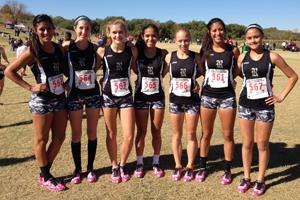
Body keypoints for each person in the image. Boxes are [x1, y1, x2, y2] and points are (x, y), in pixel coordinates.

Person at [4, 14, 68, 192]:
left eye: (49, 28)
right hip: (42, 102)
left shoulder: (58, 48)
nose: (46, 32)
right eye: (42, 29)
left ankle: (45, 173)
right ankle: (46, 176)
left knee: (60, 137)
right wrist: (30, 86)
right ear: (35, 31)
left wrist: (64, 82)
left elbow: (61, 70)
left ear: (53, 28)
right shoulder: (33, 51)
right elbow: (10, 71)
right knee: (41, 139)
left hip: (60, 99)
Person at [236, 24, 298, 196]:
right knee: (247, 143)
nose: (253, 40)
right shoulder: (242, 57)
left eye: (256, 37)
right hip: (245, 105)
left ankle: (260, 180)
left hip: (265, 107)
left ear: (262, 37)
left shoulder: (273, 56)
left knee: (262, 144)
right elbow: (242, 75)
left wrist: (281, 96)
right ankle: (247, 177)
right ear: (245, 40)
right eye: (249, 38)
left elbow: (293, 76)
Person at [196, 18, 240, 184]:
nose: (218, 33)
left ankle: (227, 169)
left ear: (224, 31)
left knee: (227, 134)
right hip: (207, 96)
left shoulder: (233, 50)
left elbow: (237, 69)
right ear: (209, 32)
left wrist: (230, 79)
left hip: (227, 97)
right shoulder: (204, 51)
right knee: (206, 133)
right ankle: (202, 166)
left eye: (220, 29)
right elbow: (201, 71)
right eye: (214, 30)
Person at [97, 19, 137, 183]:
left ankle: (122, 164)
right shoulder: (101, 51)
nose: (118, 35)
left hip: (126, 96)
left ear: (126, 34)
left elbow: (136, 68)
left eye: (121, 32)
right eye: (114, 32)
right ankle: (114, 165)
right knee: (111, 133)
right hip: (108, 97)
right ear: (109, 34)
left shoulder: (132, 50)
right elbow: (92, 69)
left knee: (128, 135)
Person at [65, 15, 102, 184]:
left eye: (87, 28)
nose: (84, 31)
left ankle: (91, 168)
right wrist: (68, 80)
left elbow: (98, 66)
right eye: (81, 28)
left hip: (93, 94)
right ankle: (77, 169)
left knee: (92, 132)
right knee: (76, 134)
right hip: (74, 95)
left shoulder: (95, 48)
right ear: (75, 29)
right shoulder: (66, 48)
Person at [165, 28, 201, 182]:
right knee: (176, 134)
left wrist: (197, 83)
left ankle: (190, 165)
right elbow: (160, 74)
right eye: (180, 40)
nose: (183, 43)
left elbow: (204, 72)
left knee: (191, 134)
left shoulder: (196, 57)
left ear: (190, 40)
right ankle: (178, 165)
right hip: (175, 101)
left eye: (186, 40)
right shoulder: (169, 57)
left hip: (192, 101)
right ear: (175, 41)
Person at [133, 24, 168, 178]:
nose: (150, 38)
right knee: (141, 131)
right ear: (142, 36)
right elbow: (134, 69)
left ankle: (155, 162)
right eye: (147, 35)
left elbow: (164, 72)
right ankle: (139, 163)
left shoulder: (163, 54)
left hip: (158, 98)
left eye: (153, 35)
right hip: (141, 98)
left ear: (158, 37)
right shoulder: (137, 53)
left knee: (156, 131)